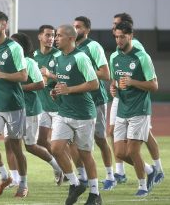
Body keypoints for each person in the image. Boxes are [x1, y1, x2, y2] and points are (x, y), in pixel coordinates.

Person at [109, 13, 164, 185]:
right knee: (118, 145)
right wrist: (114, 86)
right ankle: (148, 170)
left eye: (121, 34)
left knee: (139, 142)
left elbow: (149, 79)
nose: (117, 38)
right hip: (122, 99)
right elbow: (116, 78)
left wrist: (132, 82)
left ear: (130, 34)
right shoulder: (114, 55)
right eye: (115, 32)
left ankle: (151, 173)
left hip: (138, 102)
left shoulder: (139, 51)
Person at [4, 32, 63, 188]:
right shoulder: (7, 63)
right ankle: (15, 178)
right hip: (11, 109)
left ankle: (57, 165)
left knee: (30, 146)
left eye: (14, 44)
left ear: (21, 47)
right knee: (8, 143)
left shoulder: (29, 62)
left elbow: (40, 84)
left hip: (29, 109)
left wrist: (20, 88)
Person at [51, 25, 102, 205]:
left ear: (71, 39)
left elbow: (94, 83)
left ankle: (95, 194)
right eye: (56, 35)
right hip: (64, 111)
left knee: (85, 155)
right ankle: (75, 183)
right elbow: (64, 82)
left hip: (84, 114)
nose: (56, 38)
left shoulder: (81, 57)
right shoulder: (58, 57)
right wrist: (57, 92)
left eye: (59, 36)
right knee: (56, 148)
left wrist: (69, 89)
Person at [0, 11, 28, 198]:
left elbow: (23, 76)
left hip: (14, 105)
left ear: (4, 26)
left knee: (16, 147)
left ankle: (23, 184)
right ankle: (4, 177)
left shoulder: (15, 48)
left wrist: (1, 75)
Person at [73, 16, 115, 190]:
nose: (75, 30)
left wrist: (85, 70)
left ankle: (110, 176)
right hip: (77, 102)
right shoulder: (71, 48)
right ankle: (83, 177)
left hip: (95, 100)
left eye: (79, 27)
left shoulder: (93, 46)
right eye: (74, 26)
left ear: (87, 30)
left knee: (100, 139)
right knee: (74, 142)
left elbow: (106, 74)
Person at [33, 25, 60, 157]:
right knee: (41, 140)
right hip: (42, 105)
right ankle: (59, 166)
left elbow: (67, 79)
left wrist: (50, 75)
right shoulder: (34, 57)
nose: (51, 38)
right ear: (40, 36)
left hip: (59, 106)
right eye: (48, 35)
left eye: (53, 35)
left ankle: (72, 170)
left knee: (59, 144)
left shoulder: (59, 55)